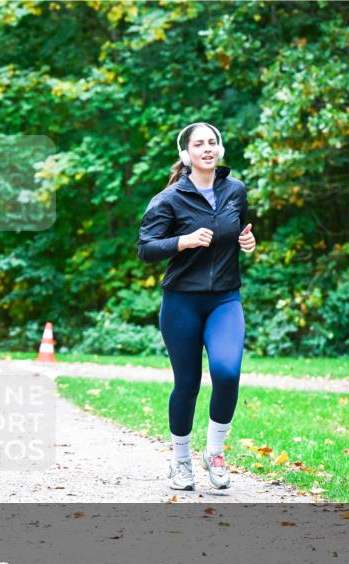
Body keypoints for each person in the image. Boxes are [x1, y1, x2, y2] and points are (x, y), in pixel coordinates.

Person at [137, 122, 257, 492]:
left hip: (224, 299)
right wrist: (183, 241)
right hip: (182, 302)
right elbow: (145, 248)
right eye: (198, 144)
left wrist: (249, 240)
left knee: (226, 372)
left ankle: (215, 453)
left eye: (212, 142)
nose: (207, 148)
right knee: (187, 383)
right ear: (185, 155)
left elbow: (242, 228)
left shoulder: (235, 190)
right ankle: (180, 460)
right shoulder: (168, 199)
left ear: (219, 150)